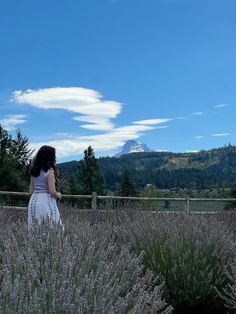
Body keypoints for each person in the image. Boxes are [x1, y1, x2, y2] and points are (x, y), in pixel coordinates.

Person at [28, 145, 62, 229]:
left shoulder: (34, 171)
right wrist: (58, 195)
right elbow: (52, 191)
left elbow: (30, 191)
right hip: (45, 201)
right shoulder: (49, 171)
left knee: (35, 226)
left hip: (33, 200)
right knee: (51, 226)